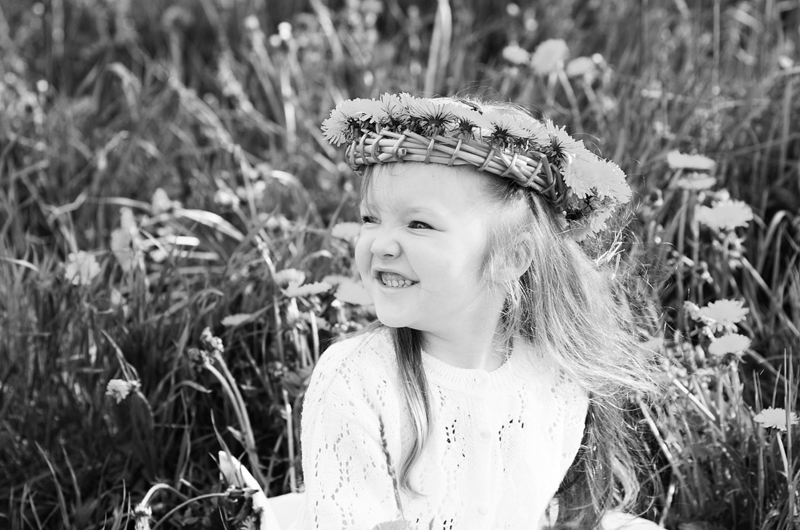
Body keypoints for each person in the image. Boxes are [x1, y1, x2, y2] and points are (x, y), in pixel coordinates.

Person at [288, 93, 660, 529]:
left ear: (512, 257)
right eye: (371, 219)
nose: (381, 244)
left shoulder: (555, 376)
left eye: (419, 224)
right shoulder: (356, 378)